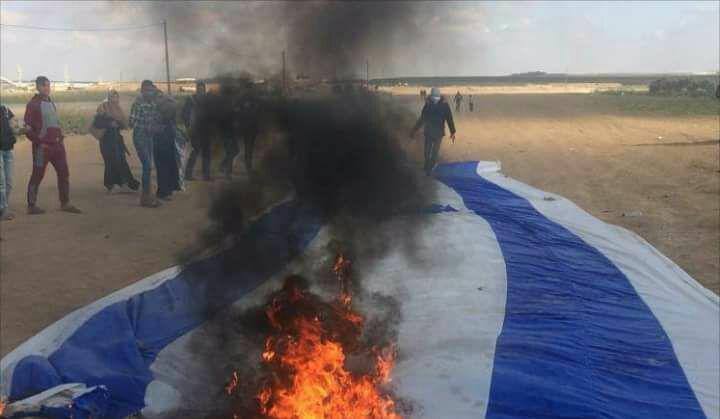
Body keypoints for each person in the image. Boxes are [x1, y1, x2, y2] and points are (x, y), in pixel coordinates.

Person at [25, 76, 82, 214]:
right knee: (37, 175)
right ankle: (31, 206)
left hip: (57, 146)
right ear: (38, 87)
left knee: (64, 173)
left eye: (48, 85)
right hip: (42, 148)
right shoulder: (33, 104)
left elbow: (53, 123)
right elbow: (27, 129)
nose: (47, 88)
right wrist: (40, 143)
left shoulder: (51, 102)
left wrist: (60, 138)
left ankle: (65, 203)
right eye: (44, 86)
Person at [92, 89, 140, 193]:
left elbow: (124, 124)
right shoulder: (103, 108)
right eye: (112, 97)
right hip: (106, 140)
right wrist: (109, 124)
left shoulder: (118, 109)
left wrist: (120, 124)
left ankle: (126, 183)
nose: (115, 99)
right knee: (110, 162)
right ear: (109, 98)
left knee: (121, 161)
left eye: (116, 97)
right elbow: (97, 123)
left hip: (117, 139)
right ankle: (111, 185)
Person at [129, 80, 162, 207]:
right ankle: (145, 197)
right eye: (147, 90)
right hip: (140, 136)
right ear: (142, 90)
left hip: (149, 136)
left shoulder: (153, 103)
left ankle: (148, 196)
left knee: (149, 166)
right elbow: (131, 123)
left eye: (151, 90)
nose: (150, 92)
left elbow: (155, 118)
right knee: (147, 166)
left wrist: (154, 126)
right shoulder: (138, 104)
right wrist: (145, 126)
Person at [411, 87, 456, 176]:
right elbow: (422, 119)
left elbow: (449, 119)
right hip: (431, 132)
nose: (435, 98)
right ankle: (428, 166)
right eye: (434, 96)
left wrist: (453, 132)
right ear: (431, 96)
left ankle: (429, 168)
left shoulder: (441, 105)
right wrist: (414, 129)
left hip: (436, 133)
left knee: (433, 152)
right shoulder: (429, 105)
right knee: (428, 151)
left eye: (436, 96)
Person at [183, 80, 212, 181]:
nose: (201, 91)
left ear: (204, 89)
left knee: (207, 153)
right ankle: (188, 174)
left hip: (206, 131)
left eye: (202, 89)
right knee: (195, 152)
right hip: (195, 131)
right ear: (197, 89)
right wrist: (188, 127)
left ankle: (206, 175)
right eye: (199, 89)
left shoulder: (208, 100)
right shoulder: (191, 99)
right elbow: (185, 114)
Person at [154, 95, 181, 200]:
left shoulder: (166, 118)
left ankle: (165, 191)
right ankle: (164, 192)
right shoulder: (161, 116)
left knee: (166, 168)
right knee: (164, 168)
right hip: (162, 144)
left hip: (165, 143)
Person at [0, 104, 18, 220]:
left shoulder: (5, 109)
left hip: (8, 149)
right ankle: (3, 209)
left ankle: (3, 207)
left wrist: (18, 128)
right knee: (1, 182)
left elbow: (13, 125)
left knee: (8, 182)